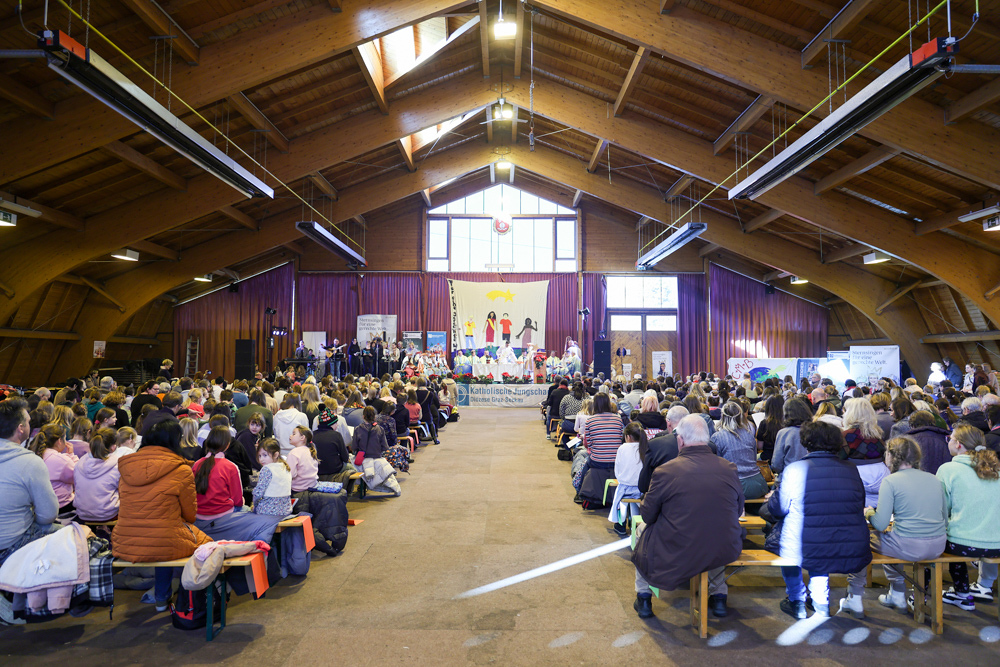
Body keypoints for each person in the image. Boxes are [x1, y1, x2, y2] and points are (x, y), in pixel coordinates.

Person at [631, 415, 743, 619]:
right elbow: (737, 510)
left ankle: (644, 596)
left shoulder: (665, 471)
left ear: (680, 441)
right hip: (724, 544)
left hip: (678, 545)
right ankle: (719, 596)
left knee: (640, 531)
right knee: (715, 531)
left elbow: (647, 515)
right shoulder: (729, 468)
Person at [766, 421, 872, 619]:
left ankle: (797, 599)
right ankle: (820, 600)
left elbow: (778, 508)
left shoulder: (795, 469)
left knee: (790, 536)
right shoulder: (850, 468)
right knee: (819, 537)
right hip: (848, 541)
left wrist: (772, 498)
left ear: (807, 442)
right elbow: (859, 503)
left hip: (808, 542)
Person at [113, 420, 213, 611]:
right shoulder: (181, 469)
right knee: (204, 545)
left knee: (164, 536)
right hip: (163, 539)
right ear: (175, 440)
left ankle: (159, 593)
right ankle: (181, 597)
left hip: (125, 539)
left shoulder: (127, 468)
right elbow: (190, 514)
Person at [862, 436, 948, 610]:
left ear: (891, 456)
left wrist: (869, 512)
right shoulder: (934, 479)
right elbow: (944, 519)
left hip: (909, 546)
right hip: (938, 545)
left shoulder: (890, 481)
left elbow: (880, 524)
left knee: (867, 538)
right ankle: (898, 592)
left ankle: (897, 592)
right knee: (891, 537)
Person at [937, 424, 1000, 610]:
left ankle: (962, 594)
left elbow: (942, 510)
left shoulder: (948, 469)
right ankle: (981, 586)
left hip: (962, 545)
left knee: (945, 539)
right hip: (997, 544)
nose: (948, 442)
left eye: (950, 438)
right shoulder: (995, 469)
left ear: (958, 444)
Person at [193, 426, 281, 547]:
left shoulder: (196, 465)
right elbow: (238, 501)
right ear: (227, 445)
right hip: (223, 516)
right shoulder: (230, 467)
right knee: (256, 516)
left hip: (198, 517)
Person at [0, 399, 60, 568]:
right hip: (11, 544)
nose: (30, 424)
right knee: (74, 535)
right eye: (28, 421)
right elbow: (48, 514)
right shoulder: (30, 462)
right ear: (21, 428)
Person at [711, 401, 769, 499]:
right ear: (740, 416)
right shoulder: (749, 433)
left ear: (723, 417)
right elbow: (754, 459)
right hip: (758, 484)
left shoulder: (717, 437)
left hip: (735, 486)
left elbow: (718, 467)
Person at [839, 398, 890, 507]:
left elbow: (839, 460)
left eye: (845, 410)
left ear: (851, 413)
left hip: (855, 481)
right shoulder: (878, 434)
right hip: (881, 477)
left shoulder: (845, 436)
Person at [73, 428, 132, 522]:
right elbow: (124, 490)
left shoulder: (79, 463)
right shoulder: (118, 465)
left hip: (82, 513)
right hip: (107, 514)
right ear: (113, 447)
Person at [575, 392, 625, 502]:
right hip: (616, 461)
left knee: (585, 465)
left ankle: (579, 492)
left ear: (595, 404)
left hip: (597, 461)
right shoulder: (618, 419)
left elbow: (587, 444)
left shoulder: (590, 420)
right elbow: (621, 439)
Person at [351, 406, 401, 496]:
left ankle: (361, 486)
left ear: (363, 416)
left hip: (363, 458)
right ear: (374, 417)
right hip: (377, 457)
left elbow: (354, 447)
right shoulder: (380, 429)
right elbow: (385, 447)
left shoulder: (357, 429)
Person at [31, 423, 78, 515]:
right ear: (59, 441)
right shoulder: (61, 460)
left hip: (39, 507)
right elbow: (78, 476)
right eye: (65, 439)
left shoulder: (34, 454)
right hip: (62, 506)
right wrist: (72, 455)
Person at [610, 422, 645, 536]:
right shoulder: (646, 447)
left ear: (628, 436)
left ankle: (621, 524)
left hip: (625, 488)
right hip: (642, 490)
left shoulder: (622, 448)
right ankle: (637, 523)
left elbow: (617, 471)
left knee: (620, 493)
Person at [770, 397, 813, 474]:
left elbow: (776, 464)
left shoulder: (783, 433)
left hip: (790, 475)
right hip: (811, 474)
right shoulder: (814, 430)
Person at [253, 438, 293, 517]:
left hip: (268, 511)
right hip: (286, 510)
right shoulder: (285, 467)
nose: (261, 459)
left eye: (265, 455)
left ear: (276, 455)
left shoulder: (267, 469)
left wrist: (254, 504)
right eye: (259, 456)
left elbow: (258, 493)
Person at [905, 410, 951, 475]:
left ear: (912, 425)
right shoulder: (945, 438)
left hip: (916, 477)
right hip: (941, 477)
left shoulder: (908, 440)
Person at [314, 409, 353, 485]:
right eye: (336, 423)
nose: (337, 425)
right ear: (331, 424)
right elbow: (345, 458)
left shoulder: (312, 435)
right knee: (352, 468)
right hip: (334, 469)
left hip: (317, 469)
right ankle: (349, 490)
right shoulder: (336, 435)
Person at [287, 425, 320, 494]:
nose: (290, 436)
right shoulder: (310, 450)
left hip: (298, 489)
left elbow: (290, 475)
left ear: (302, 438)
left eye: (294, 434)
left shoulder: (294, 453)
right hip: (312, 485)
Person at [756, 394, 784, 463]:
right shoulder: (787, 423)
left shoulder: (764, 423)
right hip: (783, 459)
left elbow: (759, 446)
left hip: (767, 458)